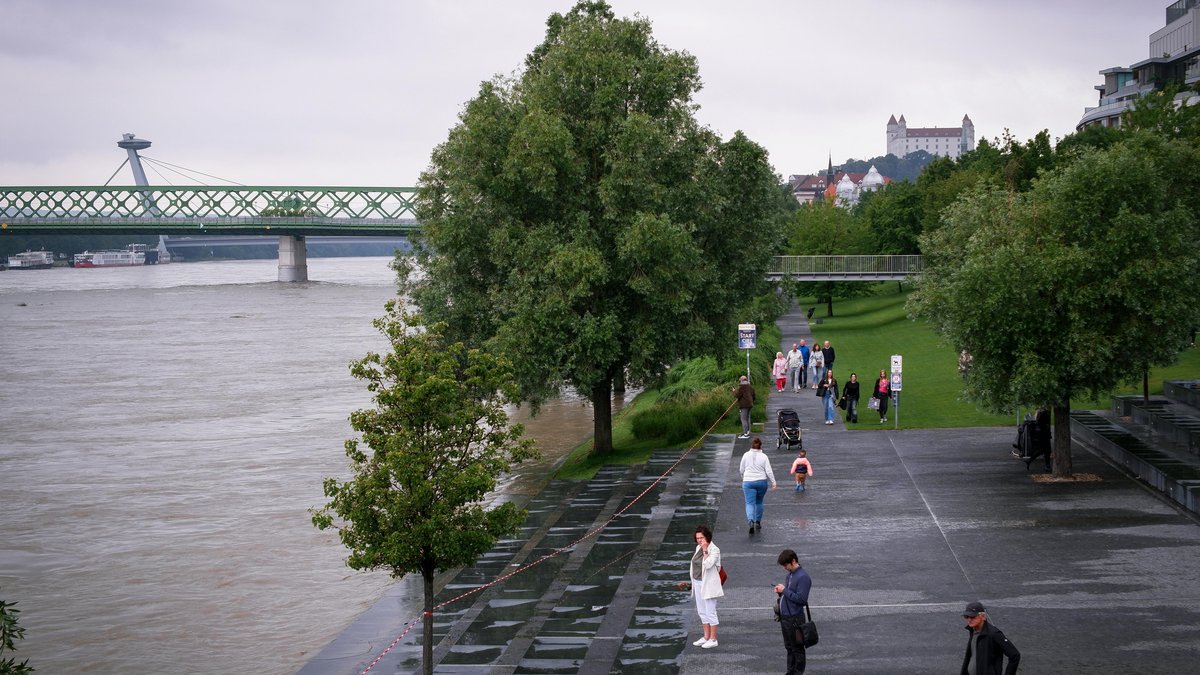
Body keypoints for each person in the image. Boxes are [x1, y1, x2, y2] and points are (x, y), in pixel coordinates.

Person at [774, 549, 813, 675]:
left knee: (797, 649)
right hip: (786, 618)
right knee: (789, 648)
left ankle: (797, 673)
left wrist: (784, 590)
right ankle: (790, 672)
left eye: (786, 565)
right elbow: (790, 594)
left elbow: (801, 599)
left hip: (795, 619)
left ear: (793, 561)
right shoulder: (790, 574)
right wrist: (782, 592)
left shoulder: (803, 577)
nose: (785, 568)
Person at [686, 524, 724, 649]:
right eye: (697, 538)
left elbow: (707, 565)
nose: (699, 540)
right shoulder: (698, 548)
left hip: (708, 584)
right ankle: (706, 636)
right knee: (701, 611)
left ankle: (713, 639)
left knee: (710, 611)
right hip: (697, 582)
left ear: (707, 537)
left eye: (701, 537)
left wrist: (705, 550)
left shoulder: (714, 550)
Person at [960, 601, 1020, 675]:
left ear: (983, 616)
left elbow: (1015, 655)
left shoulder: (994, 634)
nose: (969, 619)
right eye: (966, 616)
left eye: (972, 617)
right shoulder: (973, 631)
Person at [739, 437, 776, 534]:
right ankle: (758, 522)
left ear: (752, 445)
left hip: (748, 482)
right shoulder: (764, 456)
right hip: (761, 482)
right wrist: (773, 482)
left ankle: (750, 521)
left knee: (749, 503)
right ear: (761, 446)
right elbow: (768, 471)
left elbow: (741, 469)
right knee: (759, 502)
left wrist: (743, 477)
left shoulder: (746, 455)